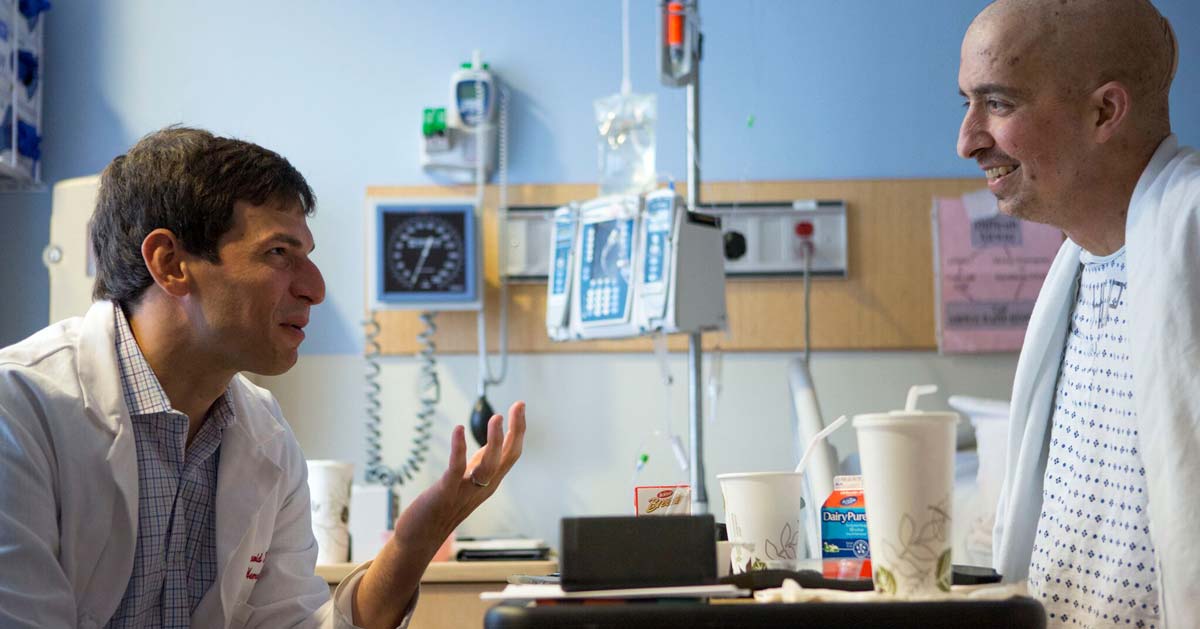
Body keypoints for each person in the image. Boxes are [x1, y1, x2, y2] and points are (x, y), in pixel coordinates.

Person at [0, 126, 527, 628]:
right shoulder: (19, 411)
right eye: (279, 253)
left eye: (307, 257)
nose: (316, 289)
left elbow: (295, 623)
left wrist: (412, 547)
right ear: (170, 262)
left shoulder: (264, 434)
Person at [957, 0, 1197, 626]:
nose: (967, 141)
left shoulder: (1191, 235)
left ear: (1104, 112)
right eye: (967, 103)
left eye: (999, 104)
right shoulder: (1086, 264)